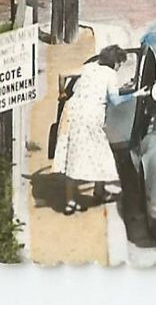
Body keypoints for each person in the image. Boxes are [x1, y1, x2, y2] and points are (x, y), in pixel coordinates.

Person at [53, 44, 127, 214]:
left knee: (71, 155)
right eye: (119, 63)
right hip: (91, 115)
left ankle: (70, 202)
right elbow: (115, 100)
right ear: (115, 62)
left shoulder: (89, 67)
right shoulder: (110, 74)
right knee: (101, 152)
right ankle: (99, 192)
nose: (119, 66)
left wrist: (62, 92)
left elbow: (62, 74)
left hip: (72, 113)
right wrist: (135, 95)